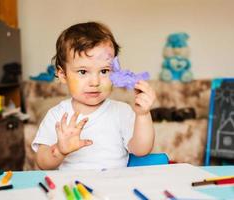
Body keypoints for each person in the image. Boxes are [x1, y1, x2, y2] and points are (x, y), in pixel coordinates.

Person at [32, 22, 156, 170]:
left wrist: (143, 115)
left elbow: (141, 150)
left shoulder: (121, 112)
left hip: (114, 188)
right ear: (63, 74)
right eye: (83, 72)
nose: (95, 82)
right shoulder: (57, 116)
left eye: (104, 71)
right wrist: (59, 150)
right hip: (73, 189)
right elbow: (42, 162)